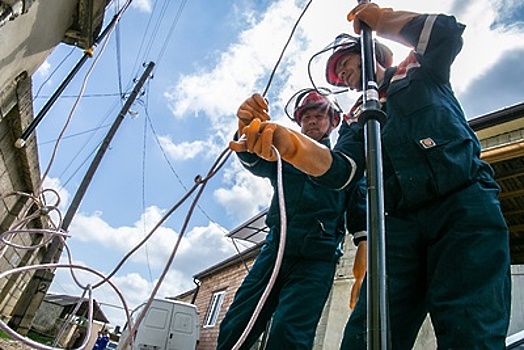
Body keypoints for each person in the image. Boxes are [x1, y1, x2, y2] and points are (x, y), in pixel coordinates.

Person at [230, 3, 511, 349]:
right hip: (399, 228)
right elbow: (342, 170)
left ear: (368, 52)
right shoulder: (358, 119)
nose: (342, 76)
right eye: (338, 75)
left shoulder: (419, 70)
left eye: (344, 65)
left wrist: (384, 20)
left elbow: (445, 33)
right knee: (367, 338)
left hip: (463, 206)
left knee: (471, 332)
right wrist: (292, 146)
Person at [217, 90, 368, 350]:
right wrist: (244, 131)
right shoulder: (285, 153)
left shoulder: (344, 163)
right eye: (306, 116)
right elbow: (254, 157)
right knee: (237, 322)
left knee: (290, 333)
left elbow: (359, 209)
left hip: (317, 258)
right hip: (276, 250)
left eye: (319, 115)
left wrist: (363, 250)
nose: (311, 120)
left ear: (333, 122)